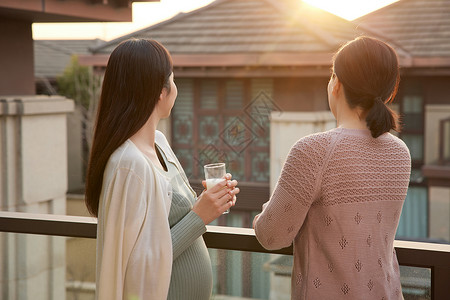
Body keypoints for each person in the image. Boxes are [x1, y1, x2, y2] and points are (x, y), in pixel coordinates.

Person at [253, 36, 411, 299]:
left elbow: (272, 236)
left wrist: (263, 214)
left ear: (336, 83)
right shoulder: (400, 153)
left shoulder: (313, 151)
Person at [84, 38, 239, 300]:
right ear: (160, 90)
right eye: (173, 79)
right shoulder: (128, 164)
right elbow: (135, 266)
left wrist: (209, 202)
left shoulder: (160, 142)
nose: (176, 88)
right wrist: (199, 216)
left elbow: (172, 219)